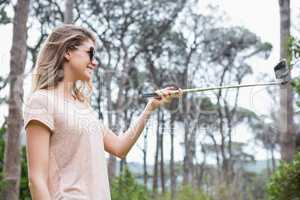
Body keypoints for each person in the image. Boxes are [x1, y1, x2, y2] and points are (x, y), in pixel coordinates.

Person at [23, 24, 182, 200]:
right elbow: (36, 179)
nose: (95, 61)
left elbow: (120, 148)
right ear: (68, 52)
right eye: (90, 53)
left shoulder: (84, 108)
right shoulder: (42, 100)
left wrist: (150, 107)